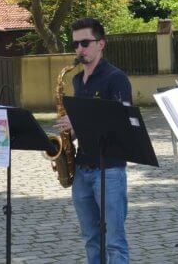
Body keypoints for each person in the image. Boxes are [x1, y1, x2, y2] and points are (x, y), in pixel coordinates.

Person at [55, 17, 133, 263]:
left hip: (109, 169)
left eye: (85, 43)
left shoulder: (115, 78)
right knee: (91, 239)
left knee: (114, 244)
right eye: (76, 44)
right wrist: (66, 140)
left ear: (101, 44)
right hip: (82, 168)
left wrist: (78, 122)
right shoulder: (77, 80)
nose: (79, 49)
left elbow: (122, 124)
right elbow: (83, 128)